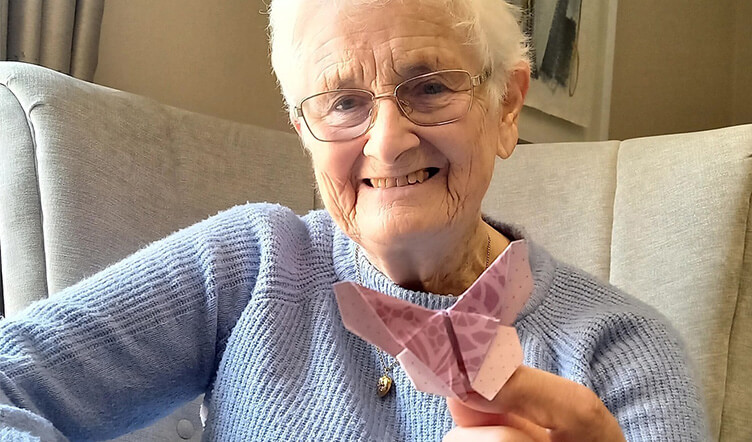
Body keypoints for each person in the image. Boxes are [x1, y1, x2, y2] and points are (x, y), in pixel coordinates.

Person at [0, 0, 707, 440]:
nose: (388, 141)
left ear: (508, 107)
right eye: (342, 103)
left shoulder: (627, 349)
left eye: (429, 87)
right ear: (302, 129)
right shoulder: (249, 263)